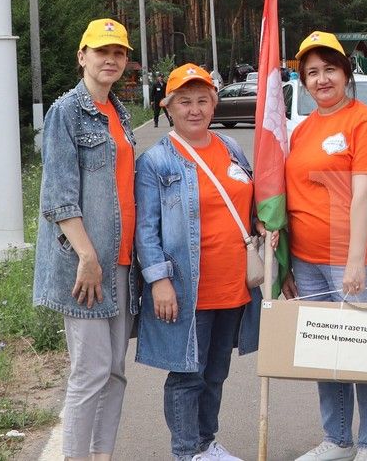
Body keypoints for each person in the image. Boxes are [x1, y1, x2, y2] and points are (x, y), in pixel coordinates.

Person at [135, 63, 262, 461]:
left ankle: (207, 443)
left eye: (203, 100)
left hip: (233, 287)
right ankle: (186, 451)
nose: (195, 109)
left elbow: (250, 201)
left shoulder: (231, 148)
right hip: (188, 289)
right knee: (187, 376)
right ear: (168, 107)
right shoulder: (156, 161)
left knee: (215, 373)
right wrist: (159, 281)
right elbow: (146, 229)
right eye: (184, 101)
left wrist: (264, 219)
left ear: (214, 104)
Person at [33, 18, 140, 461]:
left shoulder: (120, 111)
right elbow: (58, 198)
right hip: (87, 266)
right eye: (101, 51)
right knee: (90, 371)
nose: (111, 59)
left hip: (121, 262)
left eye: (119, 53)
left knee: (114, 372)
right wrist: (87, 256)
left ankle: (102, 455)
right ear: (82, 57)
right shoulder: (66, 112)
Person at [285, 31, 367, 461]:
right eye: (312, 72)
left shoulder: (364, 122)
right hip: (307, 261)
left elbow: (365, 194)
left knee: (364, 353)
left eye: (330, 69)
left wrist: (355, 263)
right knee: (325, 353)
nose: (321, 79)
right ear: (303, 82)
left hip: (354, 260)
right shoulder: (302, 130)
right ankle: (337, 439)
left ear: (346, 73)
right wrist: (286, 265)